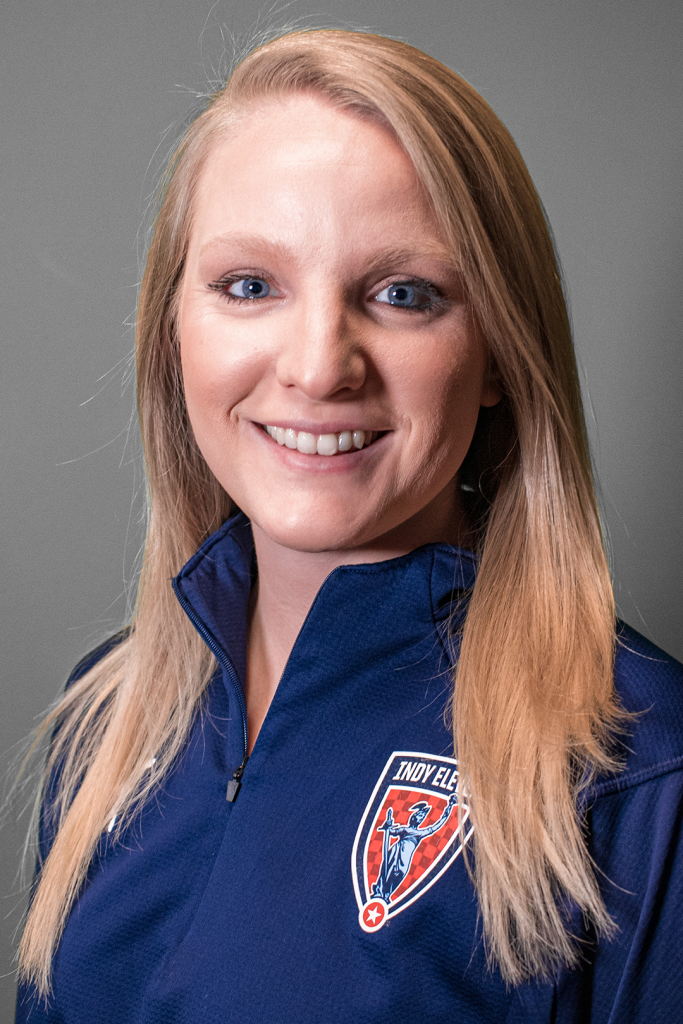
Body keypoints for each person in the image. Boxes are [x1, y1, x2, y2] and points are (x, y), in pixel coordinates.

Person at [14, 28, 683, 1024]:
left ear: (498, 353)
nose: (319, 366)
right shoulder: (104, 724)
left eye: (403, 295)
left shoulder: (637, 765)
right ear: (173, 331)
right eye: (250, 286)